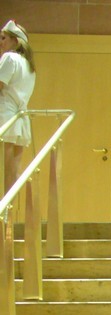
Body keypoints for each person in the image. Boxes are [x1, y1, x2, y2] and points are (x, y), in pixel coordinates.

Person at [0, 20, 35, 194]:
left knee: (6, 170)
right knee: (12, 172)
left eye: (3, 38)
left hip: (6, 116)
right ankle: (9, 209)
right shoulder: (28, 64)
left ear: (15, 41)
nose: (1, 42)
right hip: (20, 118)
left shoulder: (10, 58)